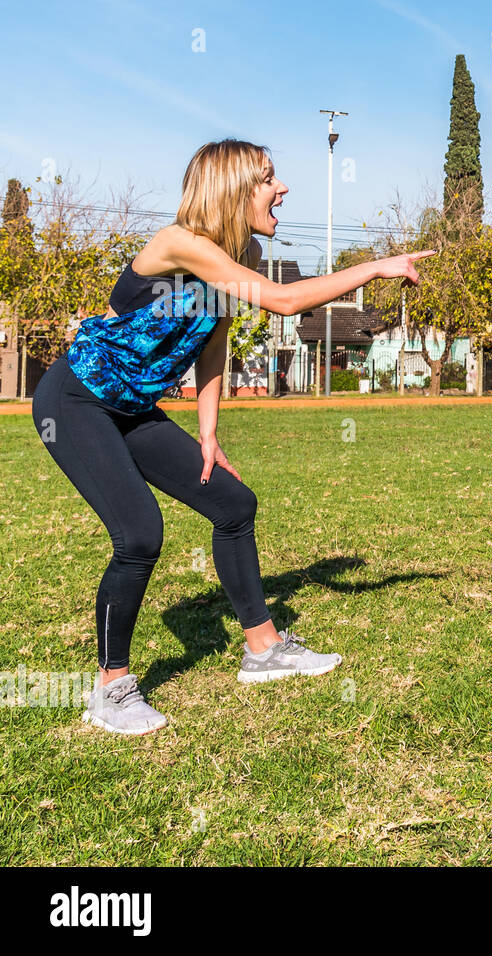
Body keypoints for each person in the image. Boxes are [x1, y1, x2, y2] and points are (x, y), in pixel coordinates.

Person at [32, 138, 433, 735]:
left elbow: (209, 343)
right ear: (234, 188)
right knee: (139, 534)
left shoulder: (235, 252)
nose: (283, 188)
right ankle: (111, 687)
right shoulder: (179, 244)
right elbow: (284, 301)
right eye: (270, 178)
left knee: (232, 502)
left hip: (132, 406)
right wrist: (375, 266)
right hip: (76, 399)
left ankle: (263, 649)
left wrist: (208, 433)